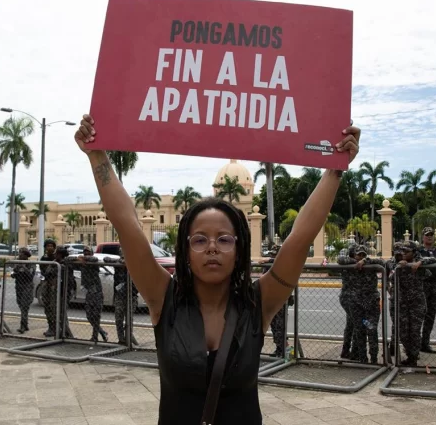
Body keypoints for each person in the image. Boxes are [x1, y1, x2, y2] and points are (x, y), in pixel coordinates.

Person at [75, 113, 360, 424]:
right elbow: (127, 225)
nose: (212, 247)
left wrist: (335, 168)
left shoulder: (258, 303)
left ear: (238, 251)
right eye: (199, 240)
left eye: (224, 239)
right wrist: (96, 155)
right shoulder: (163, 299)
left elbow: (301, 236)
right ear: (184, 252)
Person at [396, 241, 436, 366]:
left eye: (407, 251)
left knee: (414, 331)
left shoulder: (420, 261)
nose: (403, 253)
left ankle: (413, 358)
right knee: (403, 332)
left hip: (417, 302)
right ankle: (410, 354)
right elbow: (390, 273)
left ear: (414, 252)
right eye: (403, 251)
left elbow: (435, 259)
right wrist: (400, 266)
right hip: (403, 302)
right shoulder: (399, 261)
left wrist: (420, 263)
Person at [345, 245, 383, 364]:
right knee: (359, 330)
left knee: (371, 330)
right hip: (356, 305)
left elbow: (383, 262)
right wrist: (355, 262)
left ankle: (374, 359)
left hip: (371, 304)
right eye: (358, 255)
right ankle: (363, 359)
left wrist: (365, 261)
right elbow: (340, 260)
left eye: (363, 255)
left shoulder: (371, 265)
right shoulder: (350, 264)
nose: (360, 257)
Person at [419, 227, 436, 354]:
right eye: (427, 235)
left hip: (434, 286)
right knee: (419, 315)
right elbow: (419, 261)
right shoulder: (419, 251)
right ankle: (415, 344)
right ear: (423, 237)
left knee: (430, 316)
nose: (429, 237)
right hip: (423, 286)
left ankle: (425, 343)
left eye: (431, 235)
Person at [77, 247, 109, 342]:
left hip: (97, 293)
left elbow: (94, 259)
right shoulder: (82, 263)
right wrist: (80, 258)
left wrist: (85, 258)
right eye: (84, 253)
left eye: (88, 253)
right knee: (89, 316)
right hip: (89, 293)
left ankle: (95, 336)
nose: (86, 254)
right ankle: (102, 332)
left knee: (96, 316)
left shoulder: (93, 262)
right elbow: (69, 259)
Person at [113, 247, 139, 345]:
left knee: (129, 318)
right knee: (118, 318)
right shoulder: (118, 264)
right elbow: (107, 259)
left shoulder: (134, 264)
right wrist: (121, 261)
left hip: (131, 295)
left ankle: (129, 337)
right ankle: (121, 339)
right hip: (120, 296)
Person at [337, 244, 358, 360]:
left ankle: (348, 351)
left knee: (351, 325)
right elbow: (340, 259)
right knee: (356, 324)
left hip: (356, 299)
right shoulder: (348, 262)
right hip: (348, 297)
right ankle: (353, 352)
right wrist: (356, 261)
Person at [12, 247, 36, 334]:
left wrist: (23, 267)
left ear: (26, 255)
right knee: (20, 304)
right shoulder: (18, 263)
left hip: (27, 286)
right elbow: (15, 271)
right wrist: (15, 273)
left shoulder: (31, 264)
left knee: (24, 305)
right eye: (19, 253)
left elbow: (30, 275)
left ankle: (23, 325)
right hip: (19, 286)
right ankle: (25, 324)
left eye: (21, 253)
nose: (19, 255)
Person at [39, 238, 59, 337]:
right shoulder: (44, 258)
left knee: (54, 307)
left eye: (51, 246)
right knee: (47, 307)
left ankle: (56, 328)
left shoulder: (56, 258)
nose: (50, 248)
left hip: (54, 285)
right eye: (48, 246)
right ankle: (50, 327)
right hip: (47, 283)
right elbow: (43, 270)